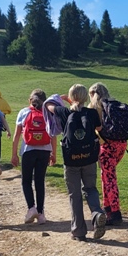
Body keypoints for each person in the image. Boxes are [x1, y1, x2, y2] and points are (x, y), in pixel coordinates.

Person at [47, 84, 107, 241]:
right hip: (89, 157)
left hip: (71, 160)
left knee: (75, 195)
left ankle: (79, 232)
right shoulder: (92, 113)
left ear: (71, 97)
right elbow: (99, 128)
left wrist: (62, 99)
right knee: (90, 189)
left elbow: (48, 105)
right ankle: (97, 213)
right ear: (86, 97)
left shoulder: (64, 112)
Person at [11, 89, 56, 224]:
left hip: (28, 150)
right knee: (39, 181)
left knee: (26, 181)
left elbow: (17, 135)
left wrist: (14, 154)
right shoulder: (48, 113)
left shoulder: (24, 112)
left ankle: (31, 208)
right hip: (44, 151)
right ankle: (41, 213)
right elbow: (53, 135)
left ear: (30, 100)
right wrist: (54, 153)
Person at [89, 82, 126, 225]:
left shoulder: (96, 108)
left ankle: (115, 212)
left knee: (109, 179)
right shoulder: (114, 105)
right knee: (107, 175)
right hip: (121, 144)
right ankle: (108, 207)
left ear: (93, 94)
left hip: (107, 146)